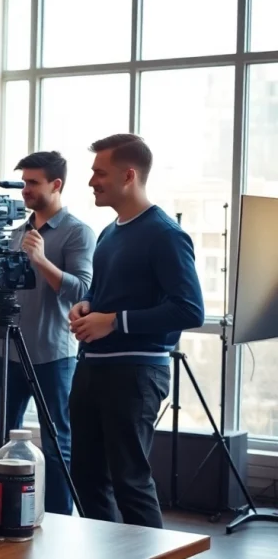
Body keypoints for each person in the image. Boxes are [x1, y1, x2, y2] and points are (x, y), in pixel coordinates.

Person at [69, 133, 205, 528]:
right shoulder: (109, 233)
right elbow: (102, 293)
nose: (91, 181)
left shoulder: (165, 234)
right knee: (87, 479)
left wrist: (113, 321)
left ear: (128, 176)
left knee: (129, 481)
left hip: (135, 374)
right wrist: (87, 304)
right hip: (92, 368)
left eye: (100, 173)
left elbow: (190, 309)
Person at [6, 151, 95, 516]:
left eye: (33, 182)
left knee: (57, 445)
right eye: (23, 182)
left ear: (56, 184)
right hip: (8, 352)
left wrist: (41, 261)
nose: (25, 189)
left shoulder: (78, 232)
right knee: (1, 439)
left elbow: (83, 290)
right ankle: (8, 514)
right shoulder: (17, 233)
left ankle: (60, 521)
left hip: (52, 356)